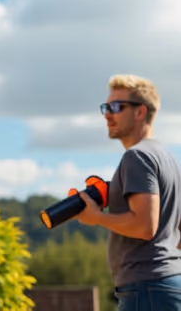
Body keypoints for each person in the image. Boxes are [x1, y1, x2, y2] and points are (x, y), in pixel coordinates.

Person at [77, 74, 181, 310]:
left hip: (147, 288)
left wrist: (97, 217)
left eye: (116, 107)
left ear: (140, 112)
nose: (107, 114)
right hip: (165, 286)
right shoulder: (169, 160)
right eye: (106, 107)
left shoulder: (137, 156)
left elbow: (145, 226)